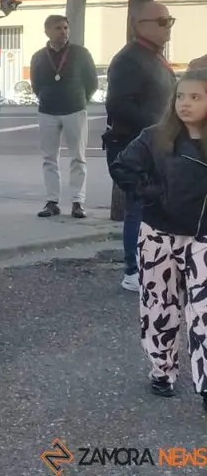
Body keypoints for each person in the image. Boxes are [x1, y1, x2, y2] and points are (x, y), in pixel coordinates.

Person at [110, 69, 207, 404]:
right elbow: (123, 167)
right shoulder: (155, 136)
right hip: (158, 234)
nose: (186, 104)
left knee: (203, 312)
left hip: (202, 239)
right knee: (159, 307)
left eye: (196, 97)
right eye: (181, 96)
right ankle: (162, 371)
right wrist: (152, 193)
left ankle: (205, 381)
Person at [104, 1, 177, 292]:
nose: (167, 26)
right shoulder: (129, 60)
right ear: (138, 25)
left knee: (153, 205)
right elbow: (118, 105)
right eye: (161, 21)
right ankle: (133, 270)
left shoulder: (154, 56)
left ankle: (153, 263)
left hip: (156, 143)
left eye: (170, 20)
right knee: (139, 204)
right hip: (135, 144)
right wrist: (157, 127)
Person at [29, 15, 98, 220]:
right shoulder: (39, 56)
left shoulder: (80, 53)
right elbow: (36, 83)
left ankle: (78, 202)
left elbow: (92, 82)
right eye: (59, 28)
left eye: (66, 27)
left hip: (74, 109)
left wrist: (80, 98)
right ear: (47, 31)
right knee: (49, 158)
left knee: (78, 157)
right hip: (48, 110)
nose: (64, 31)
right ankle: (52, 202)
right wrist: (45, 96)